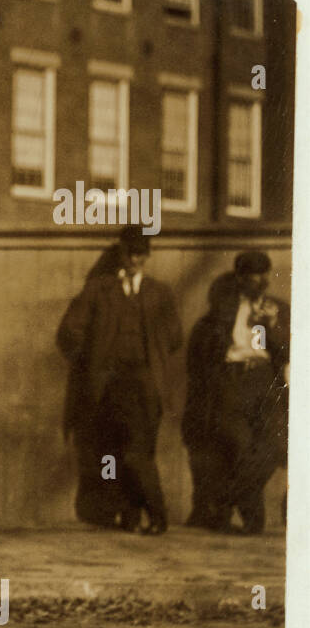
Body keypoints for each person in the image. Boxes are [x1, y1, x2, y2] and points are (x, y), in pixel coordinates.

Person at [57, 225, 183, 534]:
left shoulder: (160, 293)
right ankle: (128, 514)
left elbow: (175, 336)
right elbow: (69, 332)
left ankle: (157, 514)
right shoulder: (99, 290)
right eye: (130, 253)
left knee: (138, 452)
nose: (135, 259)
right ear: (121, 253)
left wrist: (153, 354)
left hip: (145, 384)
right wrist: (91, 362)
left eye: (141, 253)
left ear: (147, 256)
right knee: (113, 451)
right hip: (108, 385)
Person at [181, 251, 289, 533]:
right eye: (255, 274)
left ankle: (225, 501)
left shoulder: (278, 309)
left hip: (266, 381)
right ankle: (253, 522)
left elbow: (289, 352)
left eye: (266, 273)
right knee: (239, 446)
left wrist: (273, 325)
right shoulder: (223, 310)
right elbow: (203, 353)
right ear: (241, 278)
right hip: (232, 382)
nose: (263, 280)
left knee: (272, 448)